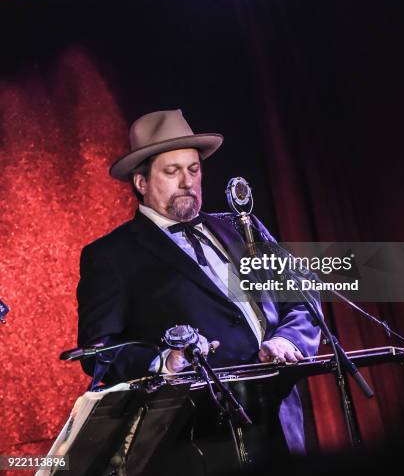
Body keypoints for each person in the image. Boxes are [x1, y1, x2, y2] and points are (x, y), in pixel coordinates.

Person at [77, 109, 321, 469]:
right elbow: (97, 352)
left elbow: (302, 294)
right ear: (141, 183)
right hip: (202, 439)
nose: (187, 181)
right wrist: (163, 362)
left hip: (281, 421)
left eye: (193, 169)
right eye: (172, 172)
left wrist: (289, 340)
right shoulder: (111, 256)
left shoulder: (240, 226)